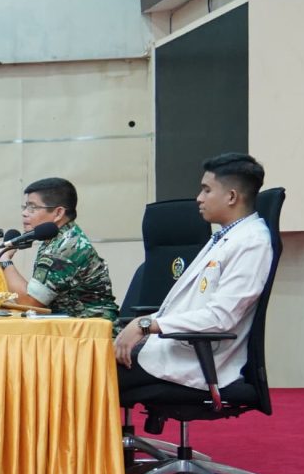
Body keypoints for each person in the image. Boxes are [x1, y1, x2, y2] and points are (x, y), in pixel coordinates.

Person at [115, 153, 274, 397]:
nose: (199, 198)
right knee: (84, 364)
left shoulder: (252, 243)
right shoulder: (224, 237)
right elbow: (182, 308)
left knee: (85, 377)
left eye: (207, 190)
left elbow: (220, 318)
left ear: (231, 196)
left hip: (195, 364)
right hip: (172, 352)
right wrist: (142, 325)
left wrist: (146, 325)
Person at [0, 177, 117, 320]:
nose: (24, 213)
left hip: (89, 329)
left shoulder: (66, 248)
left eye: (32, 207)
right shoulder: (56, 237)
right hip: (66, 324)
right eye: (25, 207)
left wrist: (4, 260)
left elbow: (31, 304)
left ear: (58, 213)